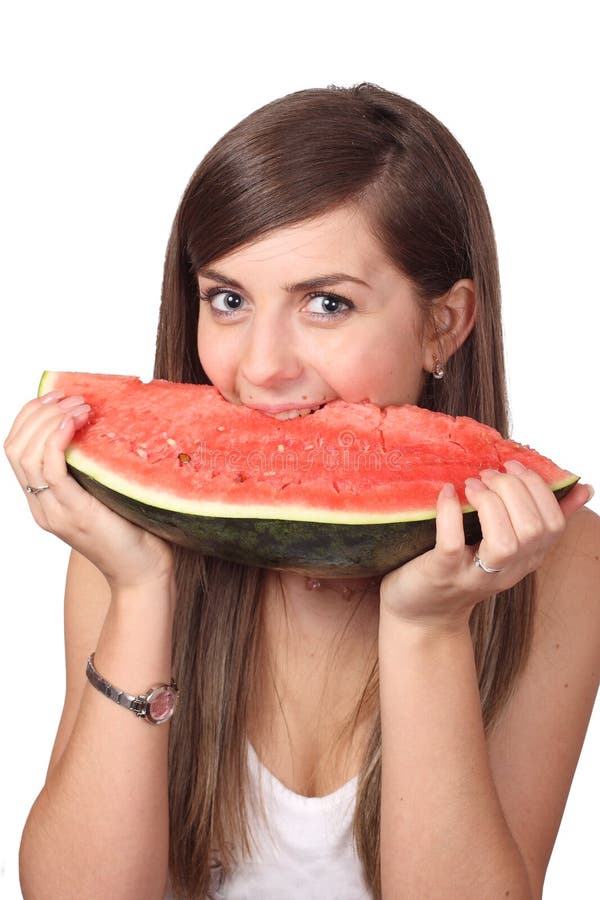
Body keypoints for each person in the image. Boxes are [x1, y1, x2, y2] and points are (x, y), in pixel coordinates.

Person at [5, 83, 599, 900]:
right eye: (229, 299)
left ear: (445, 323)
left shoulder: (560, 561)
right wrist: (142, 589)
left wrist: (427, 629)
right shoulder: (130, 537)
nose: (260, 367)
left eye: (326, 304)